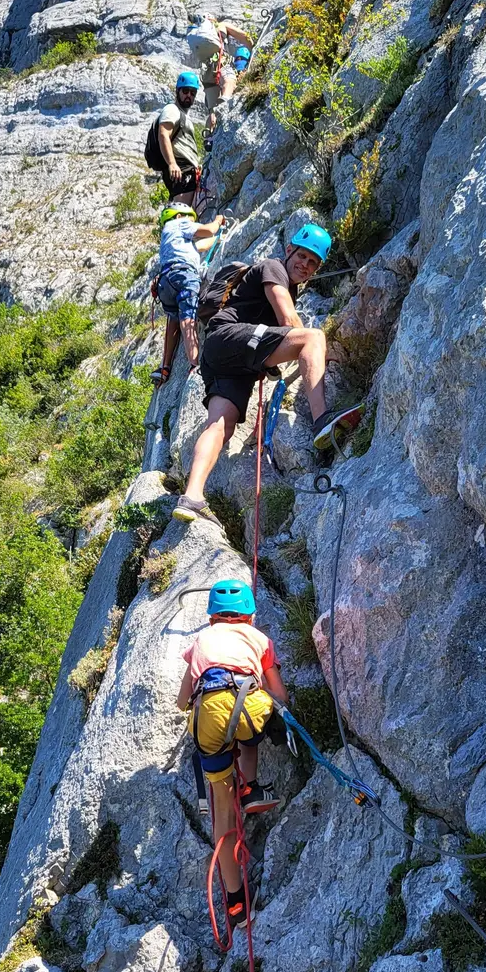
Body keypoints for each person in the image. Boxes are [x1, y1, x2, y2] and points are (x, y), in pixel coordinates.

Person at [172, 222, 339, 524]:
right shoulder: (273, 267)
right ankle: (322, 422)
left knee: (221, 425)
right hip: (228, 337)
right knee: (313, 338)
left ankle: (192, 496)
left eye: (313, 262)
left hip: (225, 360)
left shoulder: (283, 277)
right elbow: (288, 320)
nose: (306, 264)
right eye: (302, 256)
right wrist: (319, 351)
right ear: (289, 251)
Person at [177, 578, 284, 929]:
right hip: (249, 707)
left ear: (212, 619)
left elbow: (181, 702)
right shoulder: (260, 639)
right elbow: (279, 694)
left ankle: (237, 906)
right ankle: (251, 787)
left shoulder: (201, 642)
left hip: (208, 716)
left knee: (222, 816)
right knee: (251, 729)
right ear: (250, 617)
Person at [151, 204, 226, 386]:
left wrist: (220, 235)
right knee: (188, 318)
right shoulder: (179, 224)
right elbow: (208, 231)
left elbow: (201, 245)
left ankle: (165, 367)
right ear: (179, 216)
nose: (192, 225)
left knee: (173, 320)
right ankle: (194, 364)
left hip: (166, 282)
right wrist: (218, 220)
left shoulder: (170, 236)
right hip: (184, 276)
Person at [157, 72, 203, 205]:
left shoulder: (183, 115)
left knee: (186, 215)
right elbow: (163, 134)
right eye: (185, 90)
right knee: (181, 215)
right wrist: (172, 163)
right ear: (177, 90)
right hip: (181, 170)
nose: (189, 95)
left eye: (193, 92)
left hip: (187, 170)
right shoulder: (172, 109)